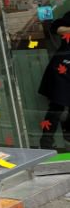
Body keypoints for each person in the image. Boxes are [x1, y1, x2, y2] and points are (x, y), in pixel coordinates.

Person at [39, 10, 70, 150]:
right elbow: (56, 28)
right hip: (63, 67)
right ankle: (46, 141)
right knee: (56, 106)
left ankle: (67, 137)